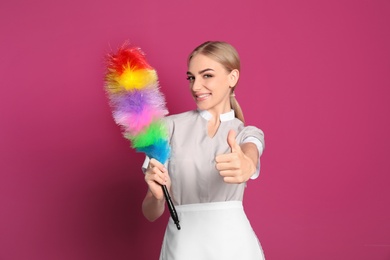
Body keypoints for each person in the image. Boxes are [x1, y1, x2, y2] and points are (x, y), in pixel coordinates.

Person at [141, 41, 265, 260]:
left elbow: (251, 151)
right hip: (182, 247)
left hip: (235, 247)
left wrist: (246, 163)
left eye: (207, 75)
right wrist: (157, 196)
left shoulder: (247, 133)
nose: (196, 86)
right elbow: (151, 214)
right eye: (191, 77)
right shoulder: (166, 129)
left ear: (232, 78)